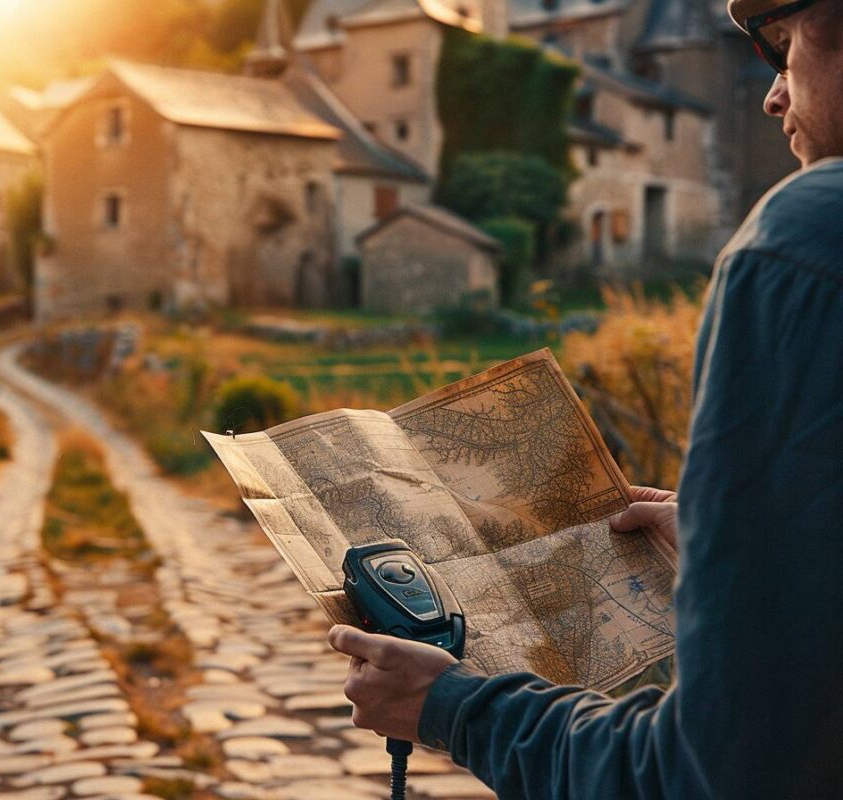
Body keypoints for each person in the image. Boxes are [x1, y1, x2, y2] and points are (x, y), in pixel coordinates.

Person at [328, 1, 843, 797]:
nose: (772, 95)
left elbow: (713, 775)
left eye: (781, 49)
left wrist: (458, 709)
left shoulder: (806, 241)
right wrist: (733, 545)